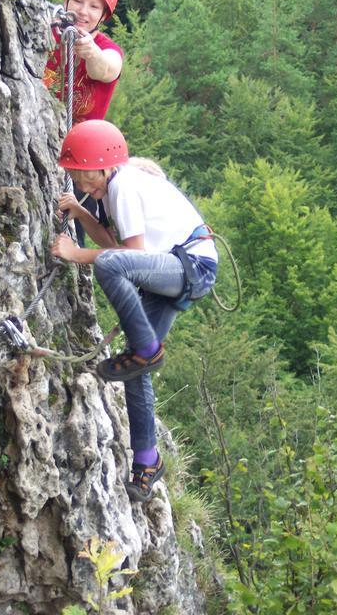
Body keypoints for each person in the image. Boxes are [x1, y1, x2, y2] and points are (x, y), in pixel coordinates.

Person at [50, 120, 218, 502]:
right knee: (136, 370)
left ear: (104, 166)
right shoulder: (110, 189)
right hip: (174, 270)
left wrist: (76, 254)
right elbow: (115, 243)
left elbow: (126, 258)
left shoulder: (123, 185)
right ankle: (147, 461)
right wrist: (81, 212)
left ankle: (146, 350)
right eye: (77, 178)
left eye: (84, 176)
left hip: (190, 266)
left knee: (110, 271)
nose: (80, 183)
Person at [44, 0, 124, 246]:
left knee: (76, 218)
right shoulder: (46, 35)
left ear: (103, 16)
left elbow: (108, 69)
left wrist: (91, 53)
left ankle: (75, 262)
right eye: (77, 1)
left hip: (82, 156)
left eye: (93, 6)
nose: (83, 11)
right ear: (65, 2)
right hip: (42, 136)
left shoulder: (106, 48)